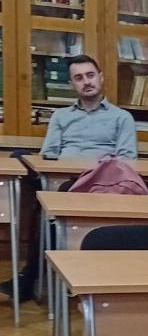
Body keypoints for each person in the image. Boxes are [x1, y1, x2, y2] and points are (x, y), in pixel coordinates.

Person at [2, 55, 138, 300]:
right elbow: (49, 154)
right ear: (72, 84)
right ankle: (35, 277)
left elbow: (126, 160)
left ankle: (29, 278)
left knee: (49, 210)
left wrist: (90, 169)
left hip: (99, 182)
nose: (86, 82)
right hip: (60, 178)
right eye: (79, 78)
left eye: (90, 75)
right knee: (19, 157)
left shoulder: (122, 117)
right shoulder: (61, 116)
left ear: (101, 77)